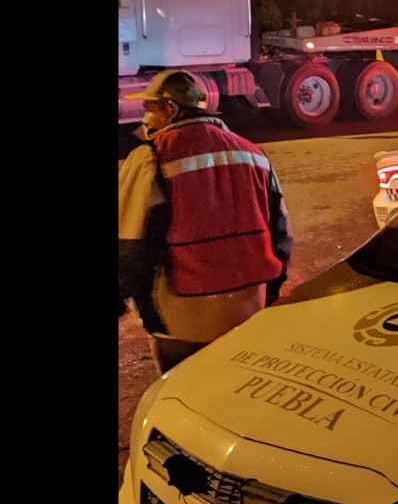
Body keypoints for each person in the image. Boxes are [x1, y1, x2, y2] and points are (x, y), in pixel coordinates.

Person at [118, 70, 292, 373]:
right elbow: (281, 237)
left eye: (150, 108)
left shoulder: (151, 156)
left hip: (183, 320)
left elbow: (130, 244)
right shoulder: (254, 154)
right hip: (249, 309)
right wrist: (267, 295)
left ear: (171, 109)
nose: (145, 117)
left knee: (182, 395)